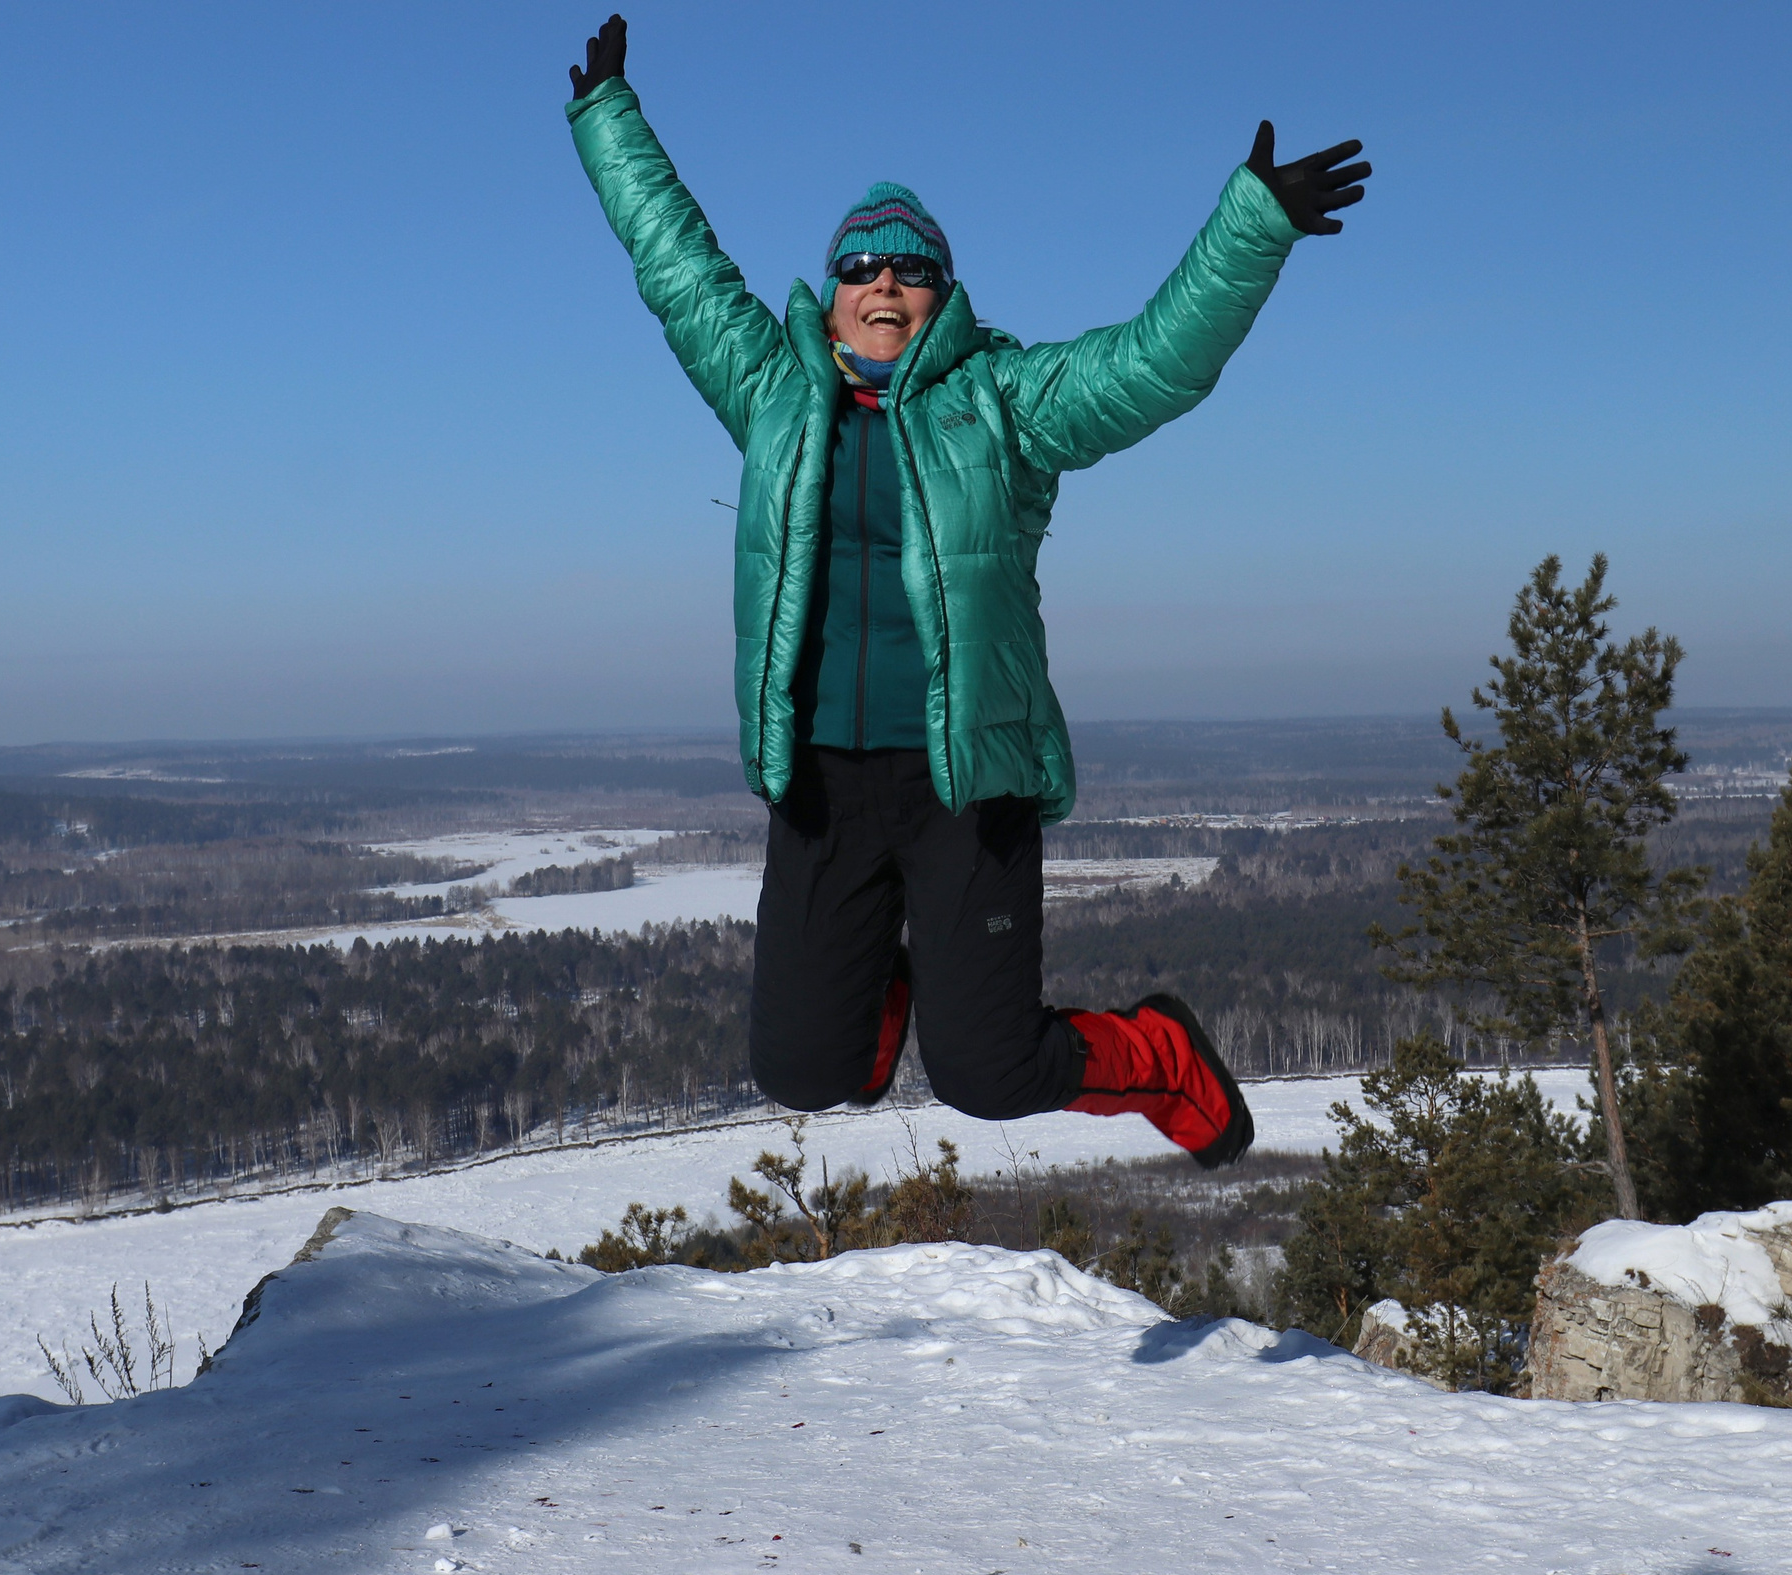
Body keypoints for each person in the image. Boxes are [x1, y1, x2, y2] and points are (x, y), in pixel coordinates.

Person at [565, 15, 1370, 1169]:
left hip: (964, 785)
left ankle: (1159, 1057)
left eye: (911, 269)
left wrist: (1255, 222)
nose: (883, 285)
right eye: (860, 267)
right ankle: (893, 987)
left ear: (942, 294)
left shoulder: (1004, 403)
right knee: (803, 1072)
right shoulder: (770, 392)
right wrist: (609, 121)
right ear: (831, 291)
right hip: (819, 789)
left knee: (990, 1075)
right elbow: (678, 271)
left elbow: (1153, 362)